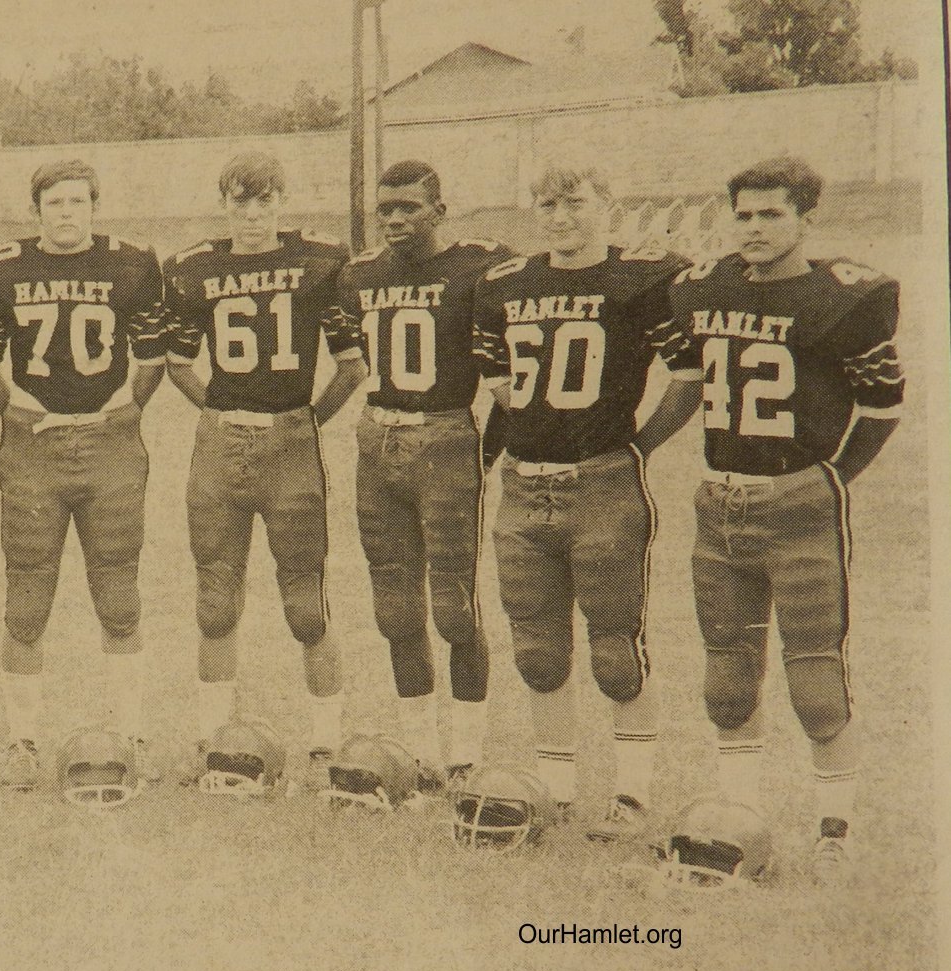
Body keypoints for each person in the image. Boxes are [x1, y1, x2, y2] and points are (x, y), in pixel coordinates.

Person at [647, 156, 903, 884]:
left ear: (805, 218)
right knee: (727, 677)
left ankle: (835, 830)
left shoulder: (844, 295)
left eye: (772, 214)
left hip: (798, 503)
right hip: (719, 500)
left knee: (815, 678)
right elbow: (691, 383)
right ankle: (738, 820)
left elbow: (883, 406)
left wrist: (831, 479)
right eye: (745, 214)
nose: (755, 228)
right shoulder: (703, 286)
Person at [471, 164, 692, 842]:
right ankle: (559, 792)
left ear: (608, 203)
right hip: (526, 485)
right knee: (537, 648)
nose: (560, 216)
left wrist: (636, 446)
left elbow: (687, 378)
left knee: (616, 647)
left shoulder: (648, 277)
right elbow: (499, 382)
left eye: (575, 202)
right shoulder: (506, 283)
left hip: (603, 482)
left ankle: (631, 794)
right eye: (547, 202)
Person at [165, 150, 367, 779]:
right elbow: (177, 362)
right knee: (215, 599)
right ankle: (209, 737)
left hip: (290, 445)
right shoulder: (195, 267)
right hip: (221, 446)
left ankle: (327, 742)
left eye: (264, 201)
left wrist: (303, 421)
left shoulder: (319, 261)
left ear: (283, 201)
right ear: (224, 204)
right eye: (239, 201)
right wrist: (223, 410)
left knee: (305, 603)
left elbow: (353, 365)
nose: (252, 215)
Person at [0, 160, 170, 787]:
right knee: (26, 600)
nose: (66, 213)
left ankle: (131, 732)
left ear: (94, 206)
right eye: (54, 202)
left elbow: (154, 356)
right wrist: (18, 412)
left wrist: (126, 409)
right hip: (33, 448)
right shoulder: (1, 265)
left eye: (77, 201)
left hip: (109, 446)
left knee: (118, 595)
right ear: (37, 210)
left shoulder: (132, 262)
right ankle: (22, 741)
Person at [336, 159, 516, 781]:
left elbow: (508, 383)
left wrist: (481, 453)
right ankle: (422, 752)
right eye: (385, 209)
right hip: (377, 434)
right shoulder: (359, 274)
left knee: (454, 608)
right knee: (396, 611)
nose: (394, 220)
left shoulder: (479, 266)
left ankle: (466, 753)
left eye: (408, 208)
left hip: (444, 434)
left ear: (440, 210)